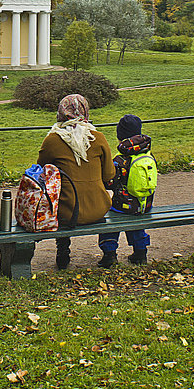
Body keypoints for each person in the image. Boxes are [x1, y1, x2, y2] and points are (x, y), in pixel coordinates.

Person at [37, 93, 115, 271]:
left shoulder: (52, 140)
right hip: (99, 209)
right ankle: (110, 252)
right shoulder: (98, 137)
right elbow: (109, 175)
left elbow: (40, 172)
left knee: (61, 201)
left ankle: (62, 250)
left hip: (68, 212)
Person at [98, 114, 153, 268]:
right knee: (137, 224)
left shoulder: (120, 160)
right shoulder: (148, 155)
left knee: (109, 222)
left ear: (120, 135)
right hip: (144, 204)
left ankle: (109, 254)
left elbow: (110, 183)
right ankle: (140, 252)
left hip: (122, 205)